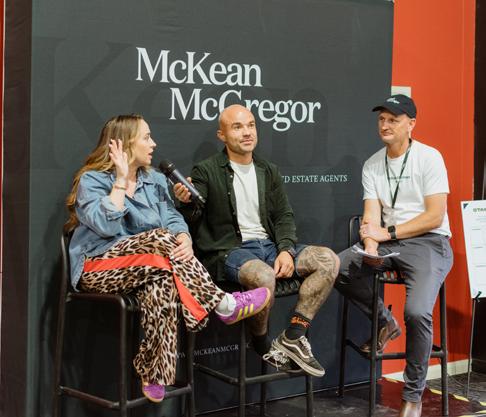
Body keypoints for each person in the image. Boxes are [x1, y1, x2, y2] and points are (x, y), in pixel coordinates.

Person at [65, 114, 271, 404]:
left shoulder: (155, 180)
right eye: (146, 137)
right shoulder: (94, 180)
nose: (154, 144)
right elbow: (107, 227)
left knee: (162, 279)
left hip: (150, 266)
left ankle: (155, 370)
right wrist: (121, 180)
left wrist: (184, 237)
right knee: (161, 239)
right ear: (125, 143)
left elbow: (172, 218)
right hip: (99, 267)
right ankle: (222, 303)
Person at [174, 104, 340, 377]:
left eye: (251, 125)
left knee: (328, 260)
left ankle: (293, 335)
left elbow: (284, 215)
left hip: (270, 247)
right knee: (264, 277)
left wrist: (286, 250)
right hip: (230, 251)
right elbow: (193, 214)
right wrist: (185, 201)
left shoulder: (267, 169)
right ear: (222, 135)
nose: (247, 132)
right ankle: (260, 340)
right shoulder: (206, 170)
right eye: (237, 127)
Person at [334, 95, 453, 417]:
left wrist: (386, 233)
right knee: (335, 267)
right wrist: (371, 245)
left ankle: (412, 396)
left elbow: (434, 216)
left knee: (417, 311)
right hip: (388, 243)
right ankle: (385, 322)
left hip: (429, 242)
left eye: (393, 120)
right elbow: (371, 216)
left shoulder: (429, 158)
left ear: (411, 124)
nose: (385, 125)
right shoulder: (373, 164)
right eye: (382, 119)